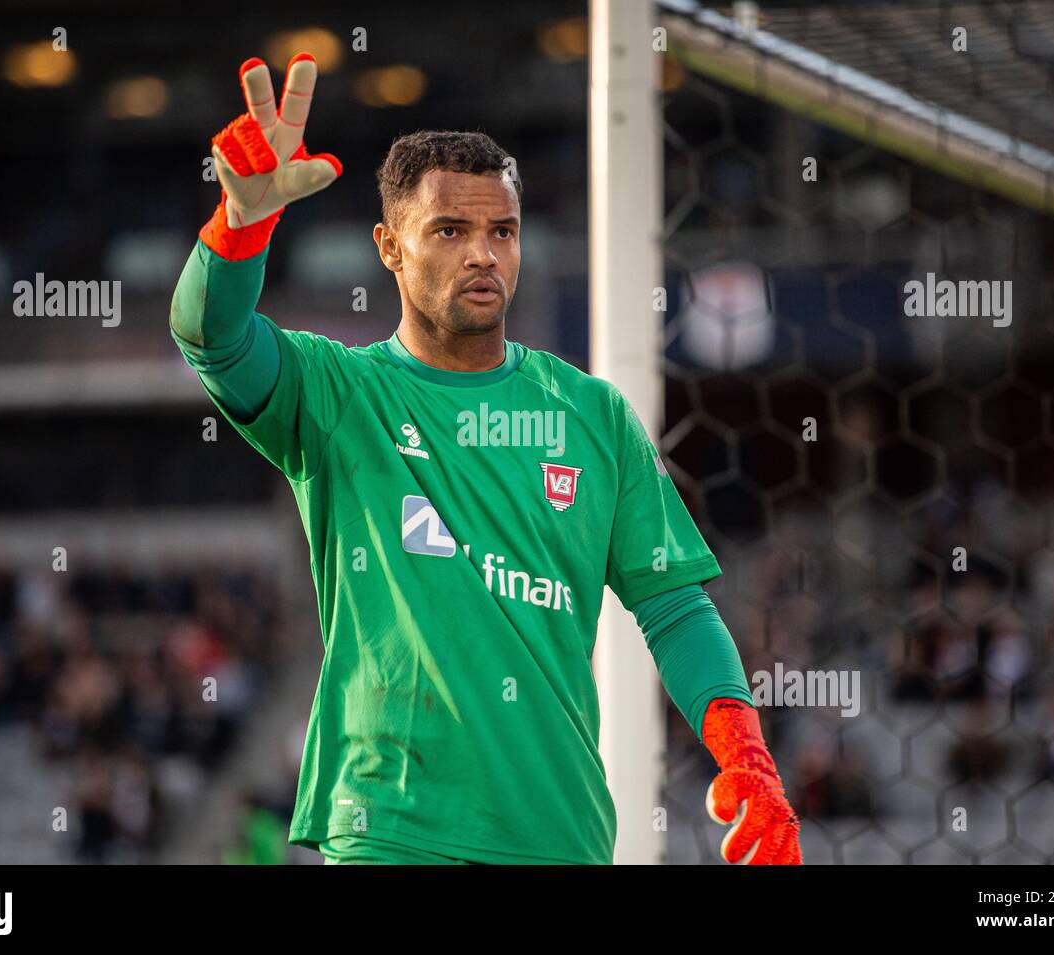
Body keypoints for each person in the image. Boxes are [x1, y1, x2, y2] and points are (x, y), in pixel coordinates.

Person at [168, 54, 801, 865]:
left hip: (559, 833)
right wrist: (239, 222)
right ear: (389, 248)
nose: (483, 254)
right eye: (450, 230)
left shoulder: (593, 413)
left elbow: (674, 607)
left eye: (502, 230)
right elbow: (209, 336)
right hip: (390, 827)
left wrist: (744, 753)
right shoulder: (338, 394)